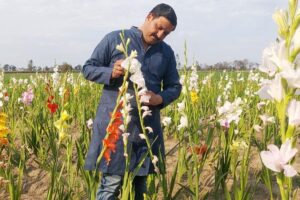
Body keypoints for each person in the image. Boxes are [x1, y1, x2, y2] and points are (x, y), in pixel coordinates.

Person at [82, 3, 182, 200]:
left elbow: (175, 87)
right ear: (149, 17)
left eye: (167, 33)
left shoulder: (166, 53)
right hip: (116, 123)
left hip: (145, 128)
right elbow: (88, 68)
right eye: (159, 27)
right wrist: (111, 72)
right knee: (111, 185)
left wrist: (159, 98)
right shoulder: (115, 38)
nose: (160, 35)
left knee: (140, 187)